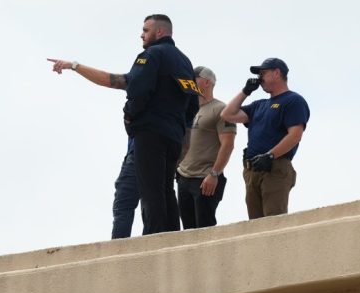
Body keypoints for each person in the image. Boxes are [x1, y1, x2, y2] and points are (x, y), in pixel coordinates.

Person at [50, 14, 198, 236]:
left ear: (159, 32)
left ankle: (153, 238)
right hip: (174, 137)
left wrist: (130, 117)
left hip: (150, 134)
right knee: (166, 189)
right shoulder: (185, 62)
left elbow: (136, 88)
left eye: (145, 30)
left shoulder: (151, 55)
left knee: (151, 191)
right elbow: (192, 106)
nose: (141, 34)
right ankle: (171, 238)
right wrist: (75, 66)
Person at [45, 61, 139, 239]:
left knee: (130, 201)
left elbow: (108, 80)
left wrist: (73, 66)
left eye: (146, 30)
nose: (142, 35)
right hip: (148, 152)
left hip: (142, 153)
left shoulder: (145, 80)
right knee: (150, 201)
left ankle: (119, 252)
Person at [220, 58, 310, 219]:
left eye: (263, 73)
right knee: (255, 224)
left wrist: (270, 155)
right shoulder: (258, 105)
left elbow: (295, 135)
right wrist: (245, 91)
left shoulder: (293, 100)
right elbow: (227, 114)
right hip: (252, 170)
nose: (260, 79)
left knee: (273, 222)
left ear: (277, 73)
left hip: (275, 168)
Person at [175, 66, 236, 229]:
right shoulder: (187, 109)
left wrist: (214, 174)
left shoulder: (221, 109)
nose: (190, 81)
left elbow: (228, 144)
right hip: (183, 176)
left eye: (194, 78)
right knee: (187, 230)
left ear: (207, 82)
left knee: (205, 229)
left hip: (205, 179)